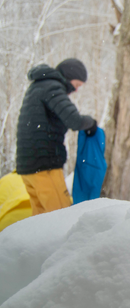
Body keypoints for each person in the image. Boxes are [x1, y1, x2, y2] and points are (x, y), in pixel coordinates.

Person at [16, 58, 97, 215]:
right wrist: (91, 124)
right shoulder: (52, 87)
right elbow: (74, 120)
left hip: (28, 168)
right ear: (68, 76)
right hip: (44, 166)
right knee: (63, 218)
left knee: (40, 222)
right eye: (77, 84)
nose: (76, 90)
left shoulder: (38, 86)